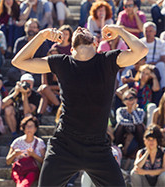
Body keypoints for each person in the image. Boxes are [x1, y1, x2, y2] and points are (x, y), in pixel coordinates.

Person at [11, 23, 148, 185]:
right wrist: (41, 35)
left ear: (96, 44)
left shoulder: (108, 60)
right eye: (76, 30)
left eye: (85, 29)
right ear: (71, 50)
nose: (79, 29)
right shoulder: (62, 62)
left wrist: (119, 30)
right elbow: (18, 61)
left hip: (98, 148)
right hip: (64, 146)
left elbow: (141, 51)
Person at [6, 115, 46, 187]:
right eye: (27, 126)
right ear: (23, 128)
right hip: (18, 170)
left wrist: (33, 155)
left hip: (32, 170)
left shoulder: (40, 143)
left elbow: (44, 162)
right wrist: (14, 154)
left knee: (25, 182)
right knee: (19, 181)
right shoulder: (17, 141)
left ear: (35, 129)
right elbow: (8, 161)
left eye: (31, 126)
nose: (29, 128)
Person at [114, 88, 145, 158]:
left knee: (140, 126)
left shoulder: (140, 111)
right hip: (123, 134)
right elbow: (121, 121)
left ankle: (141, 147)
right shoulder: (120, 110)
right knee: (120, 126)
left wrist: (133, 111)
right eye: (126, 99)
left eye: (131, 98)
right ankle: (116, 145)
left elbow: (139, 122)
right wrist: (133, 123)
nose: (129, 101)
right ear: (123, 101)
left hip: (136, 135)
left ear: (136, 99)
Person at [140, 21, 165, 92]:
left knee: (162, 65)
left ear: (155, 32)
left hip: (155, 65)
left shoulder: (162, 43)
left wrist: (153, 63)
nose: (148, 33)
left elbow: (163, 59)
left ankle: (163, 88)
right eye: (146, 31)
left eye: (150, 31)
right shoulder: (139, 42)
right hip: (141, 65)